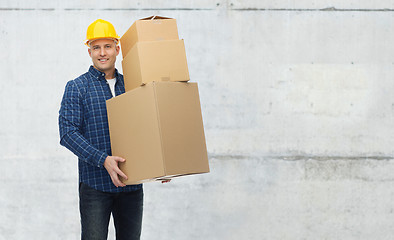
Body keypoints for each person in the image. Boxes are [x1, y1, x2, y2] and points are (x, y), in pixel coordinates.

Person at [58, 19, 143, 240]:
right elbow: (68, 133)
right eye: (96, 47)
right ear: (89, 52)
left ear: (117, 48)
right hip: (95, 188)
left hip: (131, 186)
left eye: (107, 46)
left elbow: (147, 128)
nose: (102, 53)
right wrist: (103, 159)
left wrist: (160, 167)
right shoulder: (77, 87)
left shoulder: (133, 85)